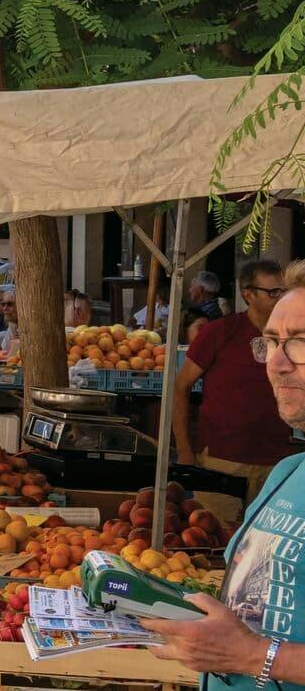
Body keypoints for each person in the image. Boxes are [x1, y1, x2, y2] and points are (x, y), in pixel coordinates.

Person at [139, 284, 305, 687]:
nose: (277, 363)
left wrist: (251, 656)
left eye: (299, 342)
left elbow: (247, 648)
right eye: (270, 342)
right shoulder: (288, 472)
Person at [175, 258, 292, 499]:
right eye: (272, 292)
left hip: (276, 463)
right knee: (214, 535)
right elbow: (180, 386)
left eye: (283, 291)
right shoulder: (219, 332)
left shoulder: (292, 337)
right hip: (222, 460)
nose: (280, 298)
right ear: (247, 294)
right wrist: (184, 449)